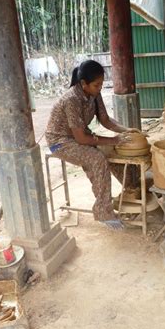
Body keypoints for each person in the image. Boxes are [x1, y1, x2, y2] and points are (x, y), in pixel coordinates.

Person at [46, 60, 139, 230]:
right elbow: (81, 139)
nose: (100, 88)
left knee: (113, 151)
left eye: (101, 84)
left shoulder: (95, 93)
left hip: (78, 135)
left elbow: (105, 120)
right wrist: (113, 140)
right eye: (97, 85)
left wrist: (127, 131)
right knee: (97, 159)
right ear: (83, 84)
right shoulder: (71, 99)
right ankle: (104, 213)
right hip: (60, 141)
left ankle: (134, 190)